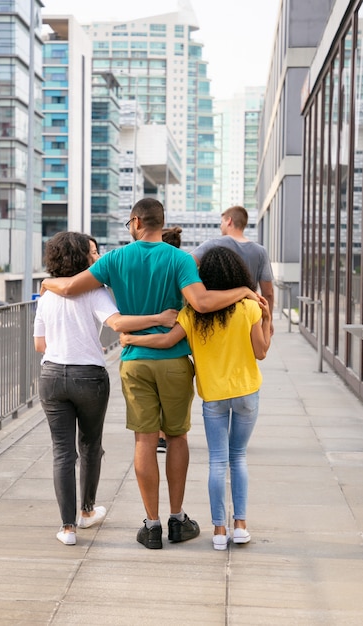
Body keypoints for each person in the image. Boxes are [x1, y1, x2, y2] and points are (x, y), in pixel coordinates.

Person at [40, 198, 259, 550]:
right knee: (177, 437)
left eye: (129, 222)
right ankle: (177, 519)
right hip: (173, 361)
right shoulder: (181, 260)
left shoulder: (114, 259)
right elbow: (202, 303)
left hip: (135, 361)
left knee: (145, 439)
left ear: (137, 221)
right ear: (161, 222)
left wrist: (47, 284)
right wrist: (245, 290)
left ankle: (152, 525)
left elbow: (67, 287)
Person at [120, 246, 271, 550]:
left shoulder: (192, 314)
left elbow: (165, 340)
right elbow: (262, 351)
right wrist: (267, 318)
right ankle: (239, 525)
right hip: (246, 393)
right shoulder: (249, 308)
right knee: (237, 456)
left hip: (213, 396)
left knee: (217, 460)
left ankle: (217, 531)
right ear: (237, 275)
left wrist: (131, 338)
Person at [34, 231, 177, 546]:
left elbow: (39, 344)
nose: (97, 258)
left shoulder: (47, 294)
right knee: (90, 447)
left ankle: (67, 528)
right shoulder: (95, 293)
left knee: (62, 452)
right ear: (82, 257)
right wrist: (161, 317)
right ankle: (86, 511)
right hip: (89, 377)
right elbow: (118, 324)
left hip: (52, 376)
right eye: (93, 253)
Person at [192, 205, 274, 334]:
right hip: (249, 318)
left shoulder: (213, 244)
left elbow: (186, 265)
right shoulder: (260, 251)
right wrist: (268, 320)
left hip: (214, 316)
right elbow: (268, 293)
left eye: (221, 222)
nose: (220, 226)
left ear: (229, 221)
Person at [156, 225, 184, 453]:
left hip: (142, 352)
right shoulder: (182, 265)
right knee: (173, 409)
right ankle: (165, 434)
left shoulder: (149, 268)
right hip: (176, 348)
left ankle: (157, 436)